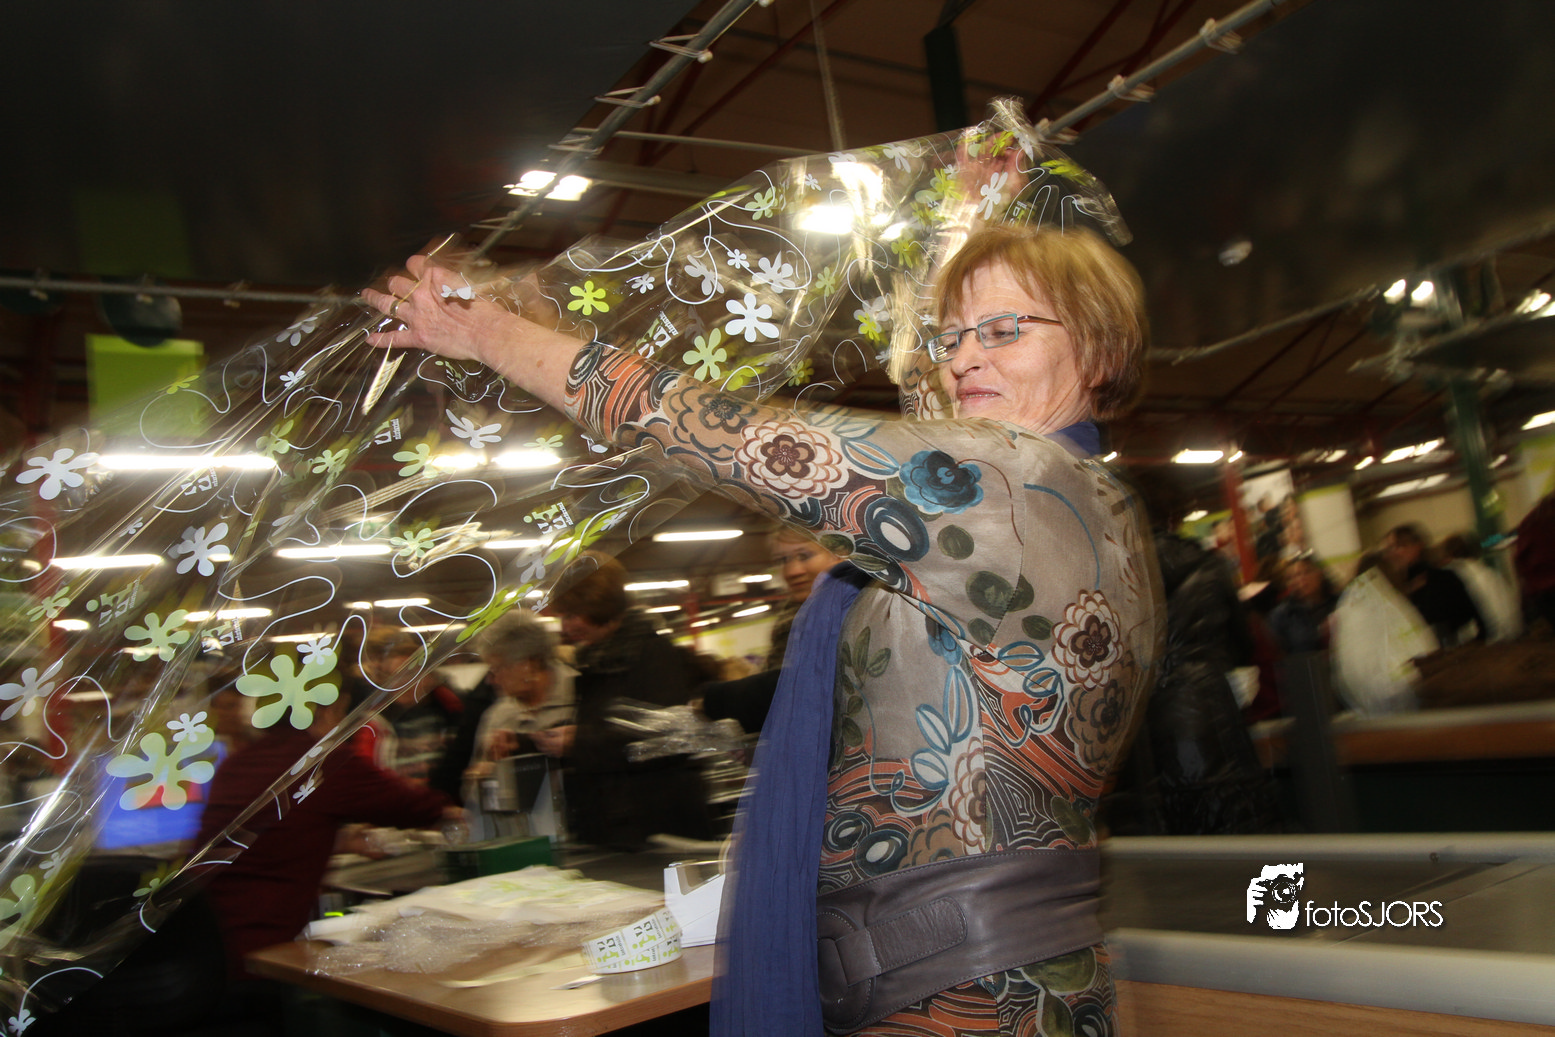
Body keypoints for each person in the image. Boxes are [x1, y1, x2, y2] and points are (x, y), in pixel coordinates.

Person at [364, 220, 1159, 1034]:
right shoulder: (1082, 501)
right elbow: (931, 401)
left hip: (962, 992)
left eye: (1002, 330)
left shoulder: (1007, 486)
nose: (961, 360)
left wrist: (486, 333)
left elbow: (710, 431)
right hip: (992, 969)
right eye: (951, 336)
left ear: (1097, 348)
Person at [193, 687, 457, 982]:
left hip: (207, 944)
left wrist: (336, 840)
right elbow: (411, 807)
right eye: (342, 713)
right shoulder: (321, 762)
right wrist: (453, 810)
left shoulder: (237, 763)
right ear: (325, 712)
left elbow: (266, 837)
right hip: (263, 951)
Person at [543, 553, 714, 849]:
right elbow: (610, 727)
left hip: (659, 827)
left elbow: (666, 740)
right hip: (621, 825)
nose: (565, 628)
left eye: (571, 615)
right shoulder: (596, 662)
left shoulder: (653, 654)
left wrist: (578, 741)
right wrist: (529, 740)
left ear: (599, 606)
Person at [698, 527, 843, 735]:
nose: (792, 571)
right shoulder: (795, 617)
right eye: (783, 560)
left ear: (839, 555)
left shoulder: (851, 612)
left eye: (804, 556)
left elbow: (803, 690)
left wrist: (715, 699)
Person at [1383, 523, 1486, 646]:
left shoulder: (1442, 578)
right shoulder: (1392, 588)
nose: (1393, 553)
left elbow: (1473, 620)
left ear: (1417, 546)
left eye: (1400, 546)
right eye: (1390, 548)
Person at [1439, 533, 1522, 643]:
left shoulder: (1457, 574)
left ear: (1449, 556)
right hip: (1514, 631)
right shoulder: (1486, 572)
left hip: (1495, 639)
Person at [1267, 555, 1339, 655]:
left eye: (1306, 572)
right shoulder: (1283, 615)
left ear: (1320, 573)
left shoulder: (1339, 603)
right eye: (1291, 577)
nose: (1300, 580)